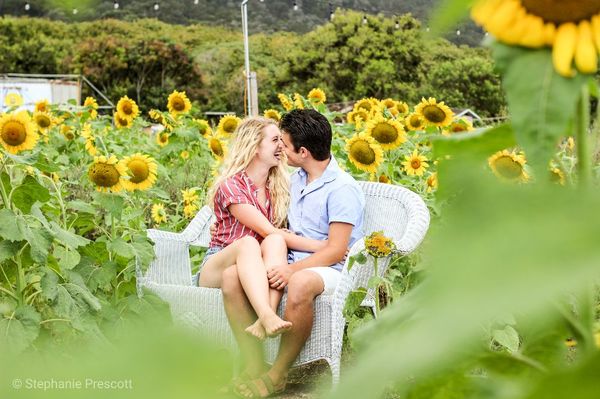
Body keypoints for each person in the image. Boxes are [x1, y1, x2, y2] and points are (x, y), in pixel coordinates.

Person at [222, 109, 365, 398]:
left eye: (284, 145)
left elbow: (337, 250)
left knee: (299, 282)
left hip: (333, 269)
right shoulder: (296, 179)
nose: (281, 150)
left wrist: (290, 270)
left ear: (302, 151)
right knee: (234, 276)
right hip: (292, 258)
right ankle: (253, 363)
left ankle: (277, 374)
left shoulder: (342, 190)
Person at [197, 116, 328, 339]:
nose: (283, 145)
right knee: (250, 243)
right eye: (276, 140)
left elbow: (278, 235)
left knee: (275, 242)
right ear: (254, 146)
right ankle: (266, 314)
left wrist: (283, 236)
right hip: (217, 262)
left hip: (253, 267)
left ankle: (262, 322)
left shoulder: (279, 186)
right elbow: (267, 230)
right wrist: (324, 247)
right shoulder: (232, 186)